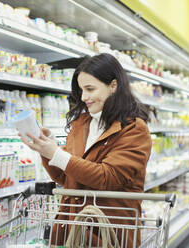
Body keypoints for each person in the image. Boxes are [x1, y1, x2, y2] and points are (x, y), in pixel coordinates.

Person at [21, 53, 152, 246]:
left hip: (108, 233)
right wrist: (45, 147)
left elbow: (108, 177)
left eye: (90, 89)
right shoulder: (81, 124)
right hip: (71, 229)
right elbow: (65, 177)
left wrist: (56, 154)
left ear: (113, 86)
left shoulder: (134, 129)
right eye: (81, 90)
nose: (84, 97)